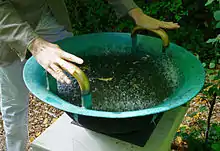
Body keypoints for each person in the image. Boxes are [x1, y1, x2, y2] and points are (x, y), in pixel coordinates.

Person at [0, 0, 180, 150]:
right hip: (9, 29)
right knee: (14, 103)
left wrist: (134, 11)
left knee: (77, 75)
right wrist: (35, 44)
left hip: (49, 15)